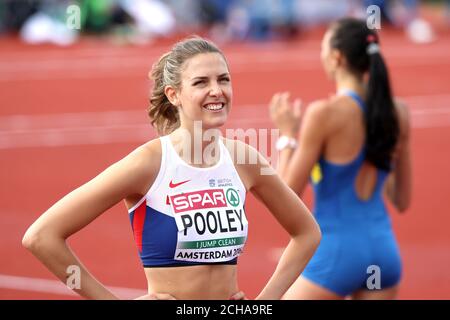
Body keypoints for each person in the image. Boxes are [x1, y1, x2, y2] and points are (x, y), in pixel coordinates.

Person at [22, 36, 321, 300]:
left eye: (223, 79)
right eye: (201, 82)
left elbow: (307, 233)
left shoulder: (245, 159)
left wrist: (266, 300)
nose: (217, 90)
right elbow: (41, 236)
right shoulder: (149, 163)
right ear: (173, 95)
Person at [269, 18, 412, 299]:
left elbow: (286, 194)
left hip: (338, 254)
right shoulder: (398, 113)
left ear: (336, 57)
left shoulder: (324, 114)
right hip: (383, 254)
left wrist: (287, 137)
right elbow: (401, 199)